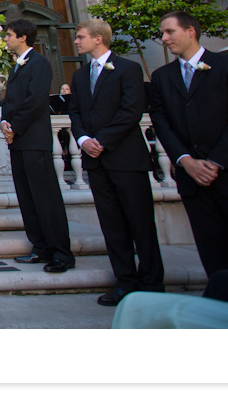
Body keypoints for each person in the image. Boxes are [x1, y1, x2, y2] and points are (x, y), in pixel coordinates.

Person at [69, 19, 164, 306]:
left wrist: (103, 141)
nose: (76, 41)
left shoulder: (128, 69)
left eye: (81, 37)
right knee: (112, 225)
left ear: (98, 39)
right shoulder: (79, 75)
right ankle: (125, 281)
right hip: (95, 162)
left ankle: (151, 283)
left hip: (126, 159)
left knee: (140, 223)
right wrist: (84, 139)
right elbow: (75, 112)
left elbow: (131, 110)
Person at [149, 11, 228, 277]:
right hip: (192, 181)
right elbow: (162, 122)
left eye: (170, 32)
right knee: (215, 255)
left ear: (191, 31)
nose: (164, 38)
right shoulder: (162, 77)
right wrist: (186, 161)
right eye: (163, 33)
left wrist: (215, 162)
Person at [1, 18, 74, 273]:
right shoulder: (16, 68)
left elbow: (35, 101)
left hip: (34, 141)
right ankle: (40, 247)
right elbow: (9, 101)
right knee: (27, 198)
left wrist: (15, 126)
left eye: (9, 35)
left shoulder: (40, 63)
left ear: (23, 37)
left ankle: (62, 253)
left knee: (45, 198)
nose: (6, 39)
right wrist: (4, 123)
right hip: (18, 142)